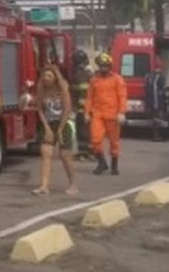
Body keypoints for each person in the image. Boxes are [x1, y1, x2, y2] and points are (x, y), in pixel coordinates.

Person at [32, 64, 78, 196]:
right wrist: (46, 128)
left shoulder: (62, 89)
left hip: (65, 122)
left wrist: (60, 129)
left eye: (49, 76)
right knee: (46, 152)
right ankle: (44, 186)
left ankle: (73, 184)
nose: (46, 78)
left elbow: (67, 109)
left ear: (55, 78)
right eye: (44, 76)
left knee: (65, 155)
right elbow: (40, 109)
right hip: (49, 122)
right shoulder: (41, 89)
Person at [85, 52, 127, 175]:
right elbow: (89, 98)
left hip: (113, 115)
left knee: (114, 142)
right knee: (95, 140)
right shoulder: (94, 80)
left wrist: (121, 112)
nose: (103, 68)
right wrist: (87, 113)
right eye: (101, 66)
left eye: (105, 66)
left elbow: (122, 96)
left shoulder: (118, 79)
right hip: (97, 115)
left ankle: (114, 165)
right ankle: (102, 163)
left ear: (110, 66)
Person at [69, 49, 94, 160]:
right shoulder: (88, 74)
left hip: (84, 109)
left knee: (84, 131)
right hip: (85, 108)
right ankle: (85, 152)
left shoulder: (79, 75)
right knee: (83, 131)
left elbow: (78, 92)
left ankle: (87, 152)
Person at [144, 59, 167, 142]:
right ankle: (156, 136)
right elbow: (161, 90)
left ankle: (156, 135)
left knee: (155, 118)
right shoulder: (159, 77)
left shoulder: (149, 76)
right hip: (157, 101)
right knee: (157, 118)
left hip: (151, 101)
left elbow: (148, 89)